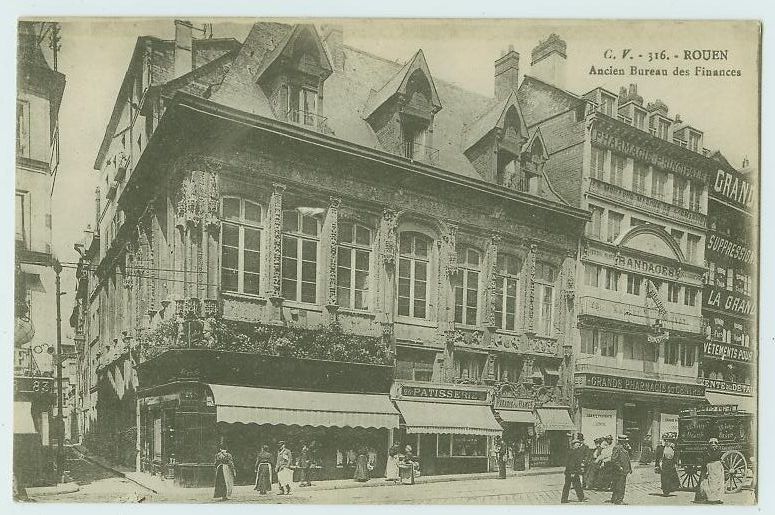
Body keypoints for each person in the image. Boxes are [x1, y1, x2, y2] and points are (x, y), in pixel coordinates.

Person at [696, 438, 725, 504]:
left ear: (717, 444)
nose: (713, 445)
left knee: (718, 483)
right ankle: (711, 498)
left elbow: (714, 457)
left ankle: (718, 498)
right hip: (709, 467)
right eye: (711, 443)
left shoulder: (718, 451)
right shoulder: (706, 451)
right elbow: (705, 459)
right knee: (709, 483)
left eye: (715, 443)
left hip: (717, 467)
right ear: (709, 444)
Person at [561, 436, 588, 503]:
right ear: (573, 445)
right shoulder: (573, 452)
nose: (578, 446)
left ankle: (564, 499)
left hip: (570, 471)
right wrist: (572, 472)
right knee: (575, 485)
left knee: (571, 485)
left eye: (579, 445)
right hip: (571, 472)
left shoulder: (574, 452)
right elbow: (571, 463)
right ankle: (580, 498)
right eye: (577, 445)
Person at [610, 435, 632, 505]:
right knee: (620, 485)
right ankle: (619, 500)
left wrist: (629, 449)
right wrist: (619, 467)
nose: (626, 442)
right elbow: (614, 459)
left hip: (623, 470)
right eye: (625, 441)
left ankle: (614, 498)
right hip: (619, 470)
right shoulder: (617, 448)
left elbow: (627, 458)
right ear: (622, 441)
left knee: (617, 484)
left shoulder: (624, 448)